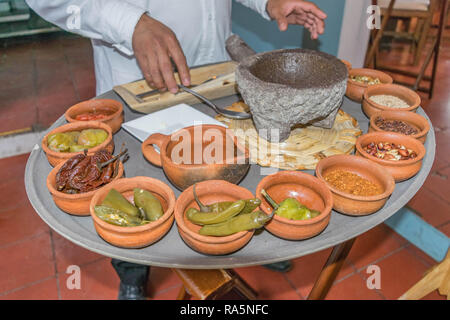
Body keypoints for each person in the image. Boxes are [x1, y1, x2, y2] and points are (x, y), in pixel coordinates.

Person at [26, 0, 327, 300]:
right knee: (134, 195)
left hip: (216, 78)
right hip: (139, 85)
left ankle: (252, 227)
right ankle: (133, 274)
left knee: (229, 170)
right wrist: (130, 23)